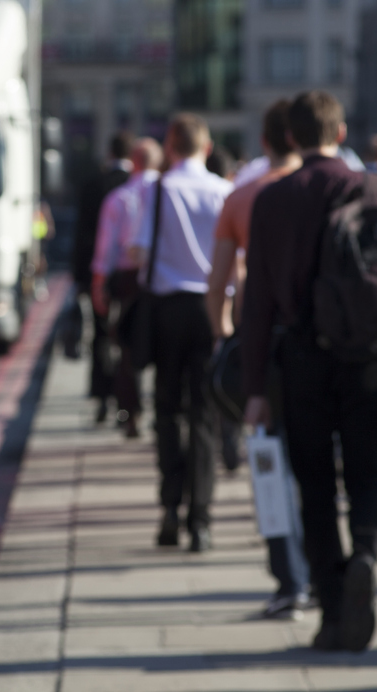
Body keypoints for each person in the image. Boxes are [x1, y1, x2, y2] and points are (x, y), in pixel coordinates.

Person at [243, 90, 377, 653]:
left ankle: (333, 603)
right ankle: (366, 548)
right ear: (340, 133)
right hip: (370, 351)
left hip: (304, 356)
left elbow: (259, 301)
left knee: (314, 483)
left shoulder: (272, 199)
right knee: (369, 471)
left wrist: (253, 387)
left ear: (289, 138)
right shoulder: (375, 188)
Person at [206, 99, 311, 619]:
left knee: (270, 464)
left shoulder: (243, 196)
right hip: (319, 338)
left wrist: (225, 334)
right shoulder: (326, 189)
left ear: (267, 141)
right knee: (315, 460)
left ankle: (289, 578)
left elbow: (218, 284)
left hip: (262, 340)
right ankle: (322, 568)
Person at [129, 114, 231, 552]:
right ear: (206, 148)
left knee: (168, 409)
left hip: (167, 308)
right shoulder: (224, 192)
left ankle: (171, 507)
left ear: (170, 147)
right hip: (211, 308)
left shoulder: (158, 190)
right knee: (205, 414)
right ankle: (202, 520)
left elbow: (138, 252)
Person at [90, 137, 162, 438]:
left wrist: (98, 286)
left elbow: (104, 250)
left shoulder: (119, 198)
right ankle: (164, 413)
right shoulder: (166, 192)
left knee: (127, 350)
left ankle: (131, 414)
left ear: (134, 161)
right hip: (161, 278)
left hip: (128, 281)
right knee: (164, 349)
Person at [71, 132, 134, 423]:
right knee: (127, 340)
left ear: (110, 154)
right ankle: (128, 402)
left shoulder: (93, 185)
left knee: (100, 336)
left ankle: (102, 398)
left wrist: (82, 279)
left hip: (99, 275)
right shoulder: (138, 187)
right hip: (131, 277)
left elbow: (83, 235)